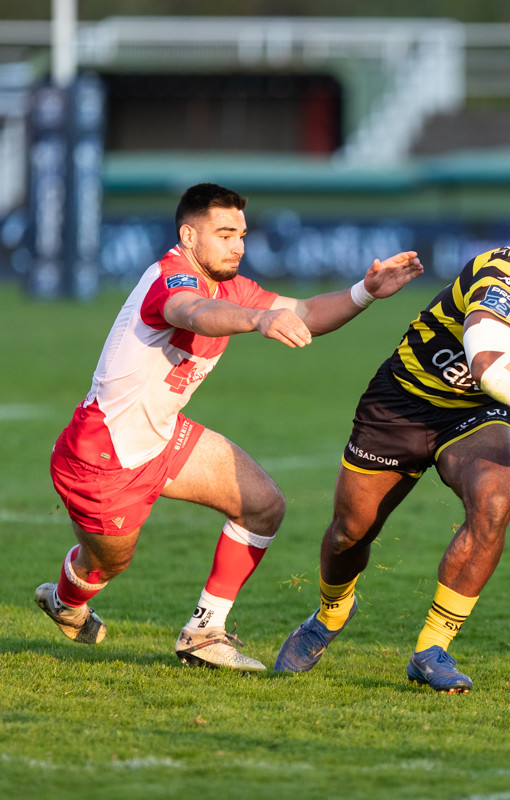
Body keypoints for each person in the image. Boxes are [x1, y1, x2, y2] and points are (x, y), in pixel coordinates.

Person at [36, 182, 425, 672]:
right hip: (101, 458)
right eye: (225, 234)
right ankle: (67, 599)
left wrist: (365, 291)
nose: (238, 245)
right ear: (189, 236)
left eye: (241, 234)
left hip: (160, 438)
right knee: (109, 562)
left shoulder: (230, 285)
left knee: (263, 506)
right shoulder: (171, 278)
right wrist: (257, 319)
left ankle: (204, 632)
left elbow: (304, 312)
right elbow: (192, 312)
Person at [274, 209, 510, 692]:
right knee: (350, 532)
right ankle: (330, 614)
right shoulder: (501, 280)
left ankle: (432, 648)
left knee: (497, 496)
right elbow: (488, 363)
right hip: (402, 404)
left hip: (472, 413)